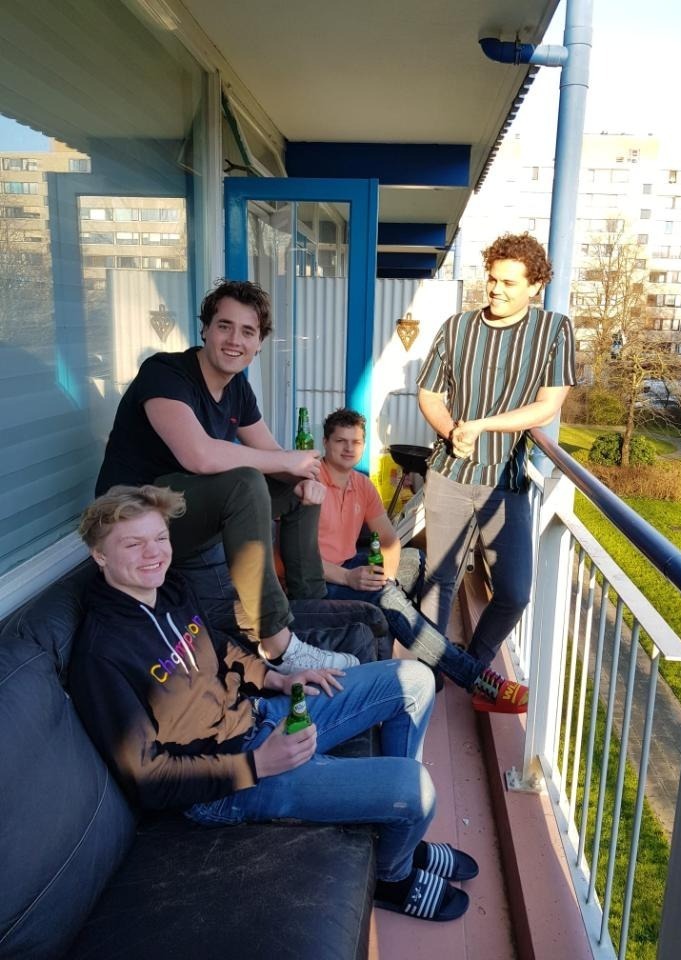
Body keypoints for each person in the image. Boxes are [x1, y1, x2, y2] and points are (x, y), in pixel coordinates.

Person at [69, 485, 479, 923]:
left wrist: (277, 677)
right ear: (100, 555)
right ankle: (393, 874)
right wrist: (258, 764)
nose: (154, 553)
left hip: (260, 716)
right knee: (414, 788)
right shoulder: (101, 654)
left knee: (413, 681)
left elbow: (218, 644)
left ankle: (396, 826)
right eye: (133, 544)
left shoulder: (170, 589)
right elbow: (148, 777)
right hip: (224, 786)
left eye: (160, 537)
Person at [95, 279, 357, 675]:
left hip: (181, 510)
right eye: (224, 326)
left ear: (259, 343)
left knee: (296, 486)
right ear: (205, 329)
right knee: (245, 483)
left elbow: (275, 457)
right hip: (132, 514)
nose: (235, 340)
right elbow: (199, 455)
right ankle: (277, 644)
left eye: (248, 331)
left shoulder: (238, 389)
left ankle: (307, 603)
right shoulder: (164, 373)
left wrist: (302, 477)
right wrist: (286, 461)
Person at [416, 233, 576, 702]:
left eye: (509, 282)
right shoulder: (457, 327)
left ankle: (472, 666)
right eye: (492, 278)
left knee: (514, 591)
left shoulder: (554, 330)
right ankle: (427, 676)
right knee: (439, 582)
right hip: (449, 473)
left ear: (535, 286)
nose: (495, 289)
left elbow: (548, 405)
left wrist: (482, 425)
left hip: (506, 480)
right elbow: (429, 394)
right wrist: (452, 431)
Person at [317, 408, 529, 713]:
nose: (349, 448)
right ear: (325, 442)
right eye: (341, 441)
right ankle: (479, 679)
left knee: (414, 559)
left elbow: (389, 539)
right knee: (387, 596)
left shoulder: (361, 485)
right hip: (320, 580)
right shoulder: (310, 482)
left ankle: (425, 645)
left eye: (356, 442)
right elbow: (292, 561)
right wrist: (352, 578)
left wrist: (389, 576)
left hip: (350, 565)